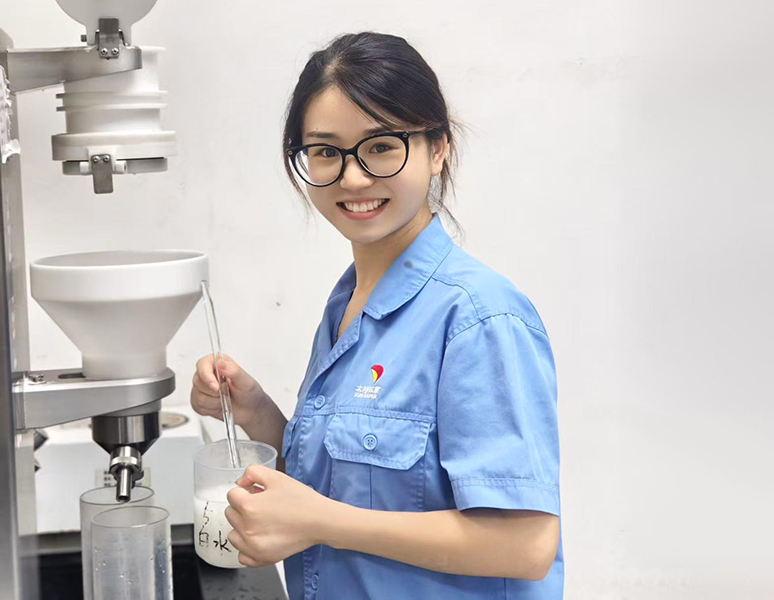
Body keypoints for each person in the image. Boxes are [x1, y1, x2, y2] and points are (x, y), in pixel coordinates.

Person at [191, 31, 563, 600]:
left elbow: (526, 545)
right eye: (325, 151)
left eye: (382, 145)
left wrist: (318, 522)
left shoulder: (479, 317)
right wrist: (257, 413)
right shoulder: (348, 303)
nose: (353, 178)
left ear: (438, 148)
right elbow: (351, 483)